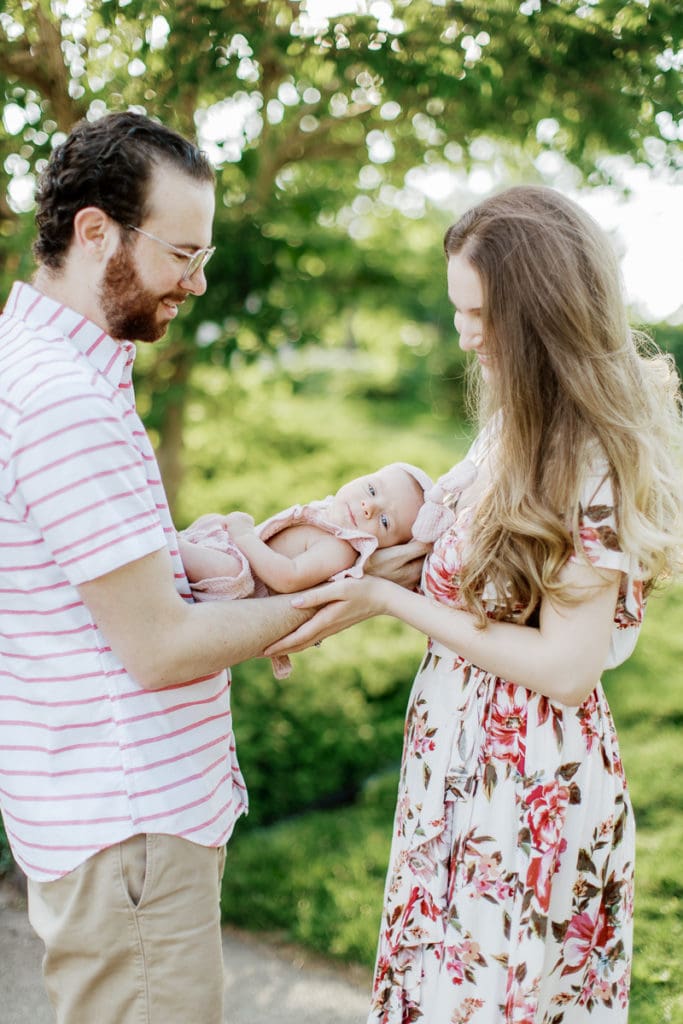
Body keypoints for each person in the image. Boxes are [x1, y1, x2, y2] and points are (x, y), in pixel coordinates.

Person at [0, 110, 425, 1024]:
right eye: (183, 254)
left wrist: (210, 555)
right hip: (131, 832)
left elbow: (84, 592)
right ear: (95, 232)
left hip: (115, 826)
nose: (197, 282)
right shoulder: (62, 399)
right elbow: (159, 647)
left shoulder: (43, 367)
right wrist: (357, 593)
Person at [265, 186, 683, 1023]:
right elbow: (457, 569)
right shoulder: (512, 425)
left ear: (539, 313)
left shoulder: (589, 459)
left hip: (526, 789)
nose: (462, 332)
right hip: (458, 764)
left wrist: (386, 601)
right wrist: (322, 596)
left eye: (478, 312)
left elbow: (563, 670)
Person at [179, 461, 447, 678]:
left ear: (384, 548)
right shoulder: (330, 513)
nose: (369, 507)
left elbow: (288, 577)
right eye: (372, 489)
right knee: (211, 522)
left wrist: (244, 536)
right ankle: (181, 545)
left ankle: (171, 549)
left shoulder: (340, 549)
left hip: (238, 585)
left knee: (227, 566)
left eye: (385, 521)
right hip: (231, 552)